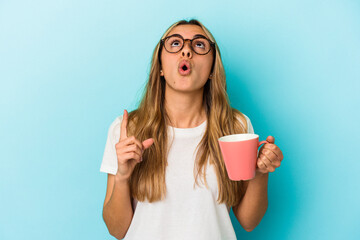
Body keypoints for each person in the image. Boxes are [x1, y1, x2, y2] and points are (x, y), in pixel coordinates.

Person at [100, 19, 284, 240]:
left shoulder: (236, 127)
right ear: (159, 66)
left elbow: (248, 221)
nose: (186, 50)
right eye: (175, 44)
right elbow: (116, 230)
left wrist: (260, 174)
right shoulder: (127, 129)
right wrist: (122, 176)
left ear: (211, 69)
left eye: (199, 45)